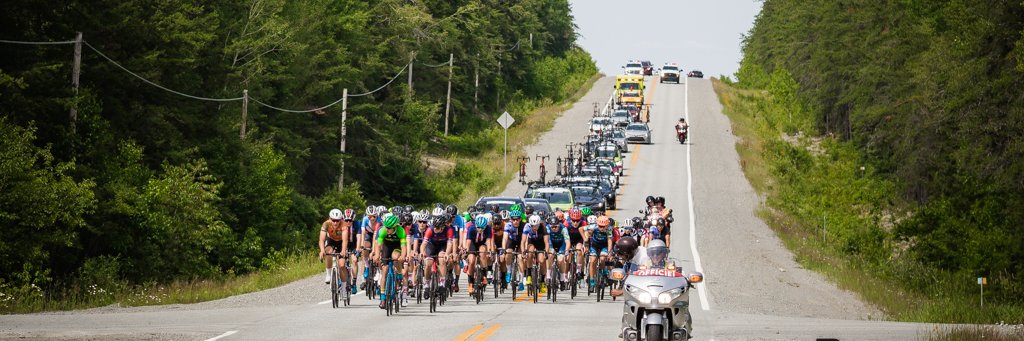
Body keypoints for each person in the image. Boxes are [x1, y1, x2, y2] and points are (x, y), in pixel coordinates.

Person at [372, 213, 408, 309]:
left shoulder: (401, 231)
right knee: (385, 270)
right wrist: (376, 255)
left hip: (397, 247)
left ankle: (399, 273)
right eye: (386, 227)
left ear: (395, 227)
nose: (387, 229)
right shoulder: (382, 230)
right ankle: (383, 298)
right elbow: (378, 245)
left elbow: (404, 246)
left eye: (389, 228)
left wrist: (403, 256)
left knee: (395, 257)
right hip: (387, 246)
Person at [421, 213, 456, 298]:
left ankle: (442, 283)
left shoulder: (449, 230)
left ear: (443, 227)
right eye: (435, 227)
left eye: (438, 228)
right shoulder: (430, 229)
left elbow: (449, 244)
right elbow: (424, 243)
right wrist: (422, 252)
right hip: (431, 245)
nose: (435, 229)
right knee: (428, 263)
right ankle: (426, 285)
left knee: (442, 259)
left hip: (442, 246)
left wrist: (447, 254)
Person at [465, 213, 494, 295]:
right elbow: (468, 242)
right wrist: (466, 252)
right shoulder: (471, 229)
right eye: (478, 227)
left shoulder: (488, 228)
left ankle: (484, 274)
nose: (480, 230)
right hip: (473, 244)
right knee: (471, 261)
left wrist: (489, 251)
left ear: (485, 227)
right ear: (476, 225)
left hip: (482, 243)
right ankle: (470, 283)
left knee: (483, 253)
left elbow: (488, 241)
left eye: (482, 228)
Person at [319, 209, 350, 285]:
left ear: (341, 219)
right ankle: (328, 274)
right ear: (330, 219)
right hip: (331, 240)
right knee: (328, 252)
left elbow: (345, 240)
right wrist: (322, 250)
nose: (335, 222)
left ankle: (343, 288)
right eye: (333, 220)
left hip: (341, 242)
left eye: (337, 220)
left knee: (342, 265)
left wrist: (343, 251)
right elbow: (322, 239)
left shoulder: (344, 225)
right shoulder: (326, 224)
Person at [522, 214, 549, 290]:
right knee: (530, 253)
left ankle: (543, 281)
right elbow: (523, 241)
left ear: (539, 223)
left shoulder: (543, 227)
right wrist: (524, 251)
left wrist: (546, 252)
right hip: (532, 242)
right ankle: (529, 275)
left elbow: (546, 242)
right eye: (532, 225)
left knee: (541, 260)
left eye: (536, 225)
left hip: (541, 243)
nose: (534, 227)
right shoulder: (527, 226)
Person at [586, 215, 614, 287]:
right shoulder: (593, 227)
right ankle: (591, 280)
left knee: (602, 259)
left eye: (603, 226)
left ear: (606, 225)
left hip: (604, 246)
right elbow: (581, 229)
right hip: (594, 245)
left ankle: (604, 272)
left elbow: (609, 241)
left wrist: (609, 252)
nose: (601, 228)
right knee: (592, 261)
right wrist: (586, 239)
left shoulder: (609, 229)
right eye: (600, 226)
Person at [545, 216, 570, 289]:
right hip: (551, 244)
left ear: (559, 225)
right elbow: (547, 241)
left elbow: (567, 241)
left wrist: (566, 251)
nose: (554, 229)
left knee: (560, 259)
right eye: (552, 227)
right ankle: (549, 276)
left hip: (561, 245)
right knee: (549, 256)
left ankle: (562, 279)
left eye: (556, 227)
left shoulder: (563, 228)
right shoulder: (547, 228)